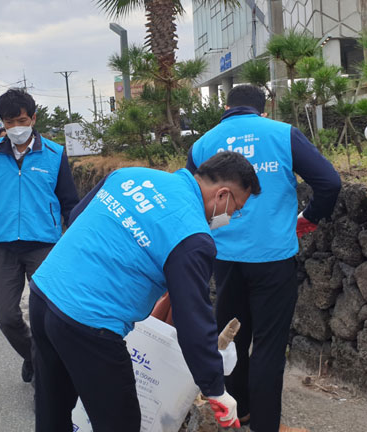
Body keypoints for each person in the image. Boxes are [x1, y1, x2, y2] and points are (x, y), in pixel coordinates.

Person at [29, 151, 261, 431]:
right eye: (235, 209)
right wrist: (215, 387)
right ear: (222, 195)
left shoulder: (130, 175)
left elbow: (78, 215)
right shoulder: (192, 236)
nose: (230, 217)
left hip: (44, 293)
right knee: (121, 423)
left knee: (52, 412)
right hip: (91, 323)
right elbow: (192, 319)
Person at [186, 85, 341, 432]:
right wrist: (309, 218)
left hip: (224, 258)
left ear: (225, 107)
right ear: (263, 110)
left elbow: (191, 198)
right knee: (269, 346)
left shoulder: (204, 143)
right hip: (274, 257)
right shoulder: (283, 134)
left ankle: (239, 414)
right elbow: (329, 182)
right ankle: (266, 425)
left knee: (232, 337)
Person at [0, 88, 79, 384]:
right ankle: (34, 357)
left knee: (48, 316)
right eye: (10, 122)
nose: (16, 128)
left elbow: (69, 202)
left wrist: (77, 242)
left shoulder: (54, 154)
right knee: (6, 316)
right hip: (5, 247)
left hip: (43, 246)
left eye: (22, 120)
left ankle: (45, 371)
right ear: (2, 122)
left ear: (33, 118)